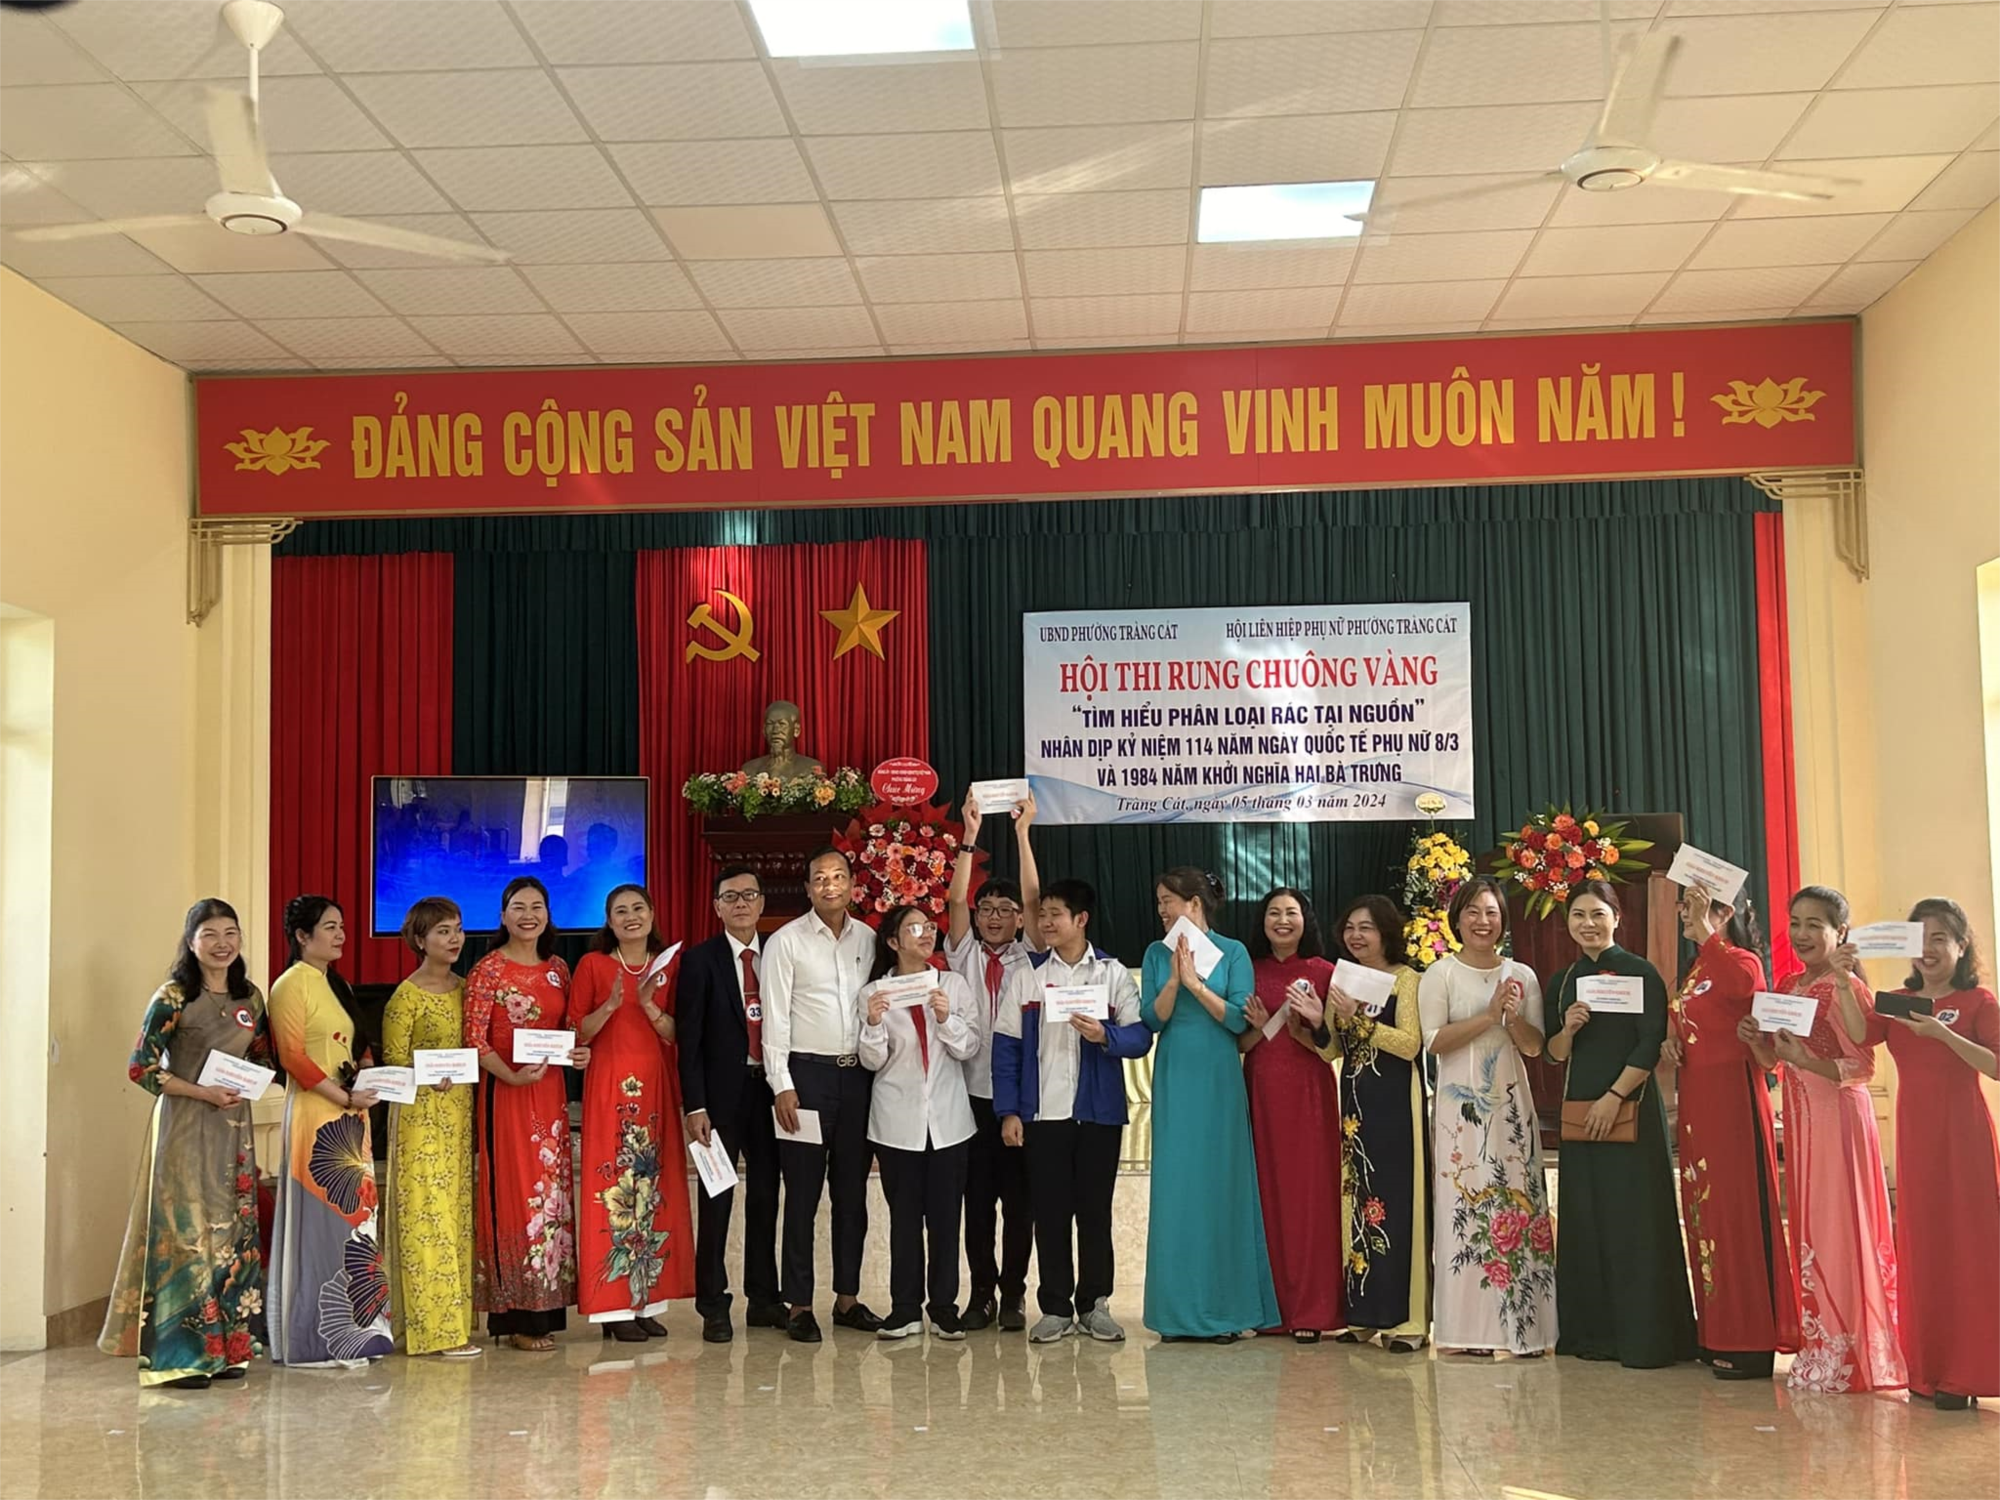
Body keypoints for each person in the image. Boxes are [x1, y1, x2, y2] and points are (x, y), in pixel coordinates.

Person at [1831, 896, 2000, 1410]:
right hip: (1915, 1137)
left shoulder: (1978, 1001)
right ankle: (1928, 1370)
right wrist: (1844, 981)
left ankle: (1967, 1372)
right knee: (1924, 1247)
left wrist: (1944, 1034)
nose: (1928, 950)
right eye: (1919, 939)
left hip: (1964, 1137)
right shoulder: (1899, 1001)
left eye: (1939, 939)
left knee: (1969, 1248)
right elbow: (1861, 1035)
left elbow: (1996, 1066)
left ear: (1961, 946)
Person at [100, 899, 269, 1388]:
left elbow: (262, 1056)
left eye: (230, 933)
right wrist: (203, 1092)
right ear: (191, 942)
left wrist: (248, 1081)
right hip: (183, 1125)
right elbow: (142, 1068)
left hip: (232, 1129)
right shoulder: (173, 996)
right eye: (209, 934)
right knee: (186, 1234)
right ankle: (180, 1356)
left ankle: (230, 1348)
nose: (222, 943)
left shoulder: (250, 998)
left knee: (232, 1232)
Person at [1740, 885, 1902, 1394]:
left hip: (1839, 1120)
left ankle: (1851, 1348)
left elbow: (1861, 1067)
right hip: (1802, 1119)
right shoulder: (1789, 985)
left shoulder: (1848, 988)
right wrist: (1758, 1044)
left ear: (1841, 932)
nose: (1803, 933)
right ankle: (1822, 1342)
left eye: (1816, 924)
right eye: (1796, 922)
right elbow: (1777, 1062)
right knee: (1811, 1224)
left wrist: (1805, 1060)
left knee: (1840, 1224)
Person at [1544, 881, 1695, 1369]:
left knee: (1635, 1220)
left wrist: (1614, 1097)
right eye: (1578, 915)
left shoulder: (1640, 972)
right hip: (1580, 1115)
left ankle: (1646, 1337)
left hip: (1631, 1108)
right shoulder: (1563, 981)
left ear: (1616, 918)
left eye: (1597, 913)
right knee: (1587, 1219)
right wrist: (1568, 1029)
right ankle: (1593, 1334)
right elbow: (1552, 1053)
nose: (1588, 923)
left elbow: (1649, 1043)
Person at [992, 877, 1150, 1343]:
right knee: (1050, 1212)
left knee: (1094, 1213)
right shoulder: (1028, 976)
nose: (1045, 923)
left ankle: (1095, 1304)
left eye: (1054, 914)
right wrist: (1009, 1111)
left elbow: (1139, 1037)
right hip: (1044, 1115)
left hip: (1098, 1114)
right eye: (1041, 915)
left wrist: (1105, 1036)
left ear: (1081, 919)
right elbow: (1006, 1049)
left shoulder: (1112, 974)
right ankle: (1056, 1307)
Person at [1661, 884, 1798, 1381]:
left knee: (1736, 1214)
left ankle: (1750, 1340)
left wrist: (1705, 929)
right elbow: (1693, 1017)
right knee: (1705, 1216)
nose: (1684, 912)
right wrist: (1672, 1042)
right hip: (1698, 1102)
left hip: (1734, 1101)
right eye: (1684, 904)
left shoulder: (1740, 959)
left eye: (1695, 904)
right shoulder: (1697, 967)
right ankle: (1717, 1332)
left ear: (1725, 911)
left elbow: (1742, 989)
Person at [1140, 867, 1280, 1343]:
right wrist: (1174, 982)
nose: (1162, 909)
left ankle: (1225, 1311)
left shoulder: (1233, 952)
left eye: (1168, 900)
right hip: (1176, 1070)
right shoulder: (1156, 953)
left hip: (1219, 1072)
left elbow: (1239, 1019)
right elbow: (1151, 1020)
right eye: (1159, 901)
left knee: (1222, 1186)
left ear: (1195, 903)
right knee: (1178, 1187)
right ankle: (1175, 1314)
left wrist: (1197, 985)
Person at [1419, 877, 1556, 1359]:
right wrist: (1488, 1015)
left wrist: (1512, 1018)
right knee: (1464, 1203)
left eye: (1492, 912)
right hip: (1459, 1109)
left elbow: (1535, 1046)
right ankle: (1465, 1333)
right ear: (1457, 919)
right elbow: (1433, 1041)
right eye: (1473, 912)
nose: (1483, 921)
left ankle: (1525, 1329)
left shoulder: (1522, 975)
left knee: (1517, 1201)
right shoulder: (1440, 974)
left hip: (1510, 1103)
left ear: (1503, 921)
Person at [267, 894, 395, 1366]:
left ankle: (362, 1331)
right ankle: (315, 1338)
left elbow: (358, 1043)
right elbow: (293, 1056)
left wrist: (368, 1073)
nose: (340, 934)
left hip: (351, 1118)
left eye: (341, 925)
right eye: (329, 926)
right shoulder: (290, 985)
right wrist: (342, 1096)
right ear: (302, 936)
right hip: (315, 1117)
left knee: (356, 1225)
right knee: (320, 1222)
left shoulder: (336, 984)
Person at [464, 876, 590, 1352]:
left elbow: (571, 1031)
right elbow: (473, 1039)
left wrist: (579, 1054)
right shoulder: (488, 970)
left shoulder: (559, 968)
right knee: (516, 1195)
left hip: (550, 1097)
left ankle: (546, 1310)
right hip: (507, 1093)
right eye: (518, 907)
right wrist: (511, 1077)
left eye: (537, 906)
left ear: (548, 914)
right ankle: (514, 1315)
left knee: (551, 1198)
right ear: (502, 916)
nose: (528, 915)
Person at [764, 846, 882, 1342]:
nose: (829, 885)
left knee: (852, 1195)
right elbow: (774, 1018)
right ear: (808, 888)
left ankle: (847, 1299)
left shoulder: (870, 939)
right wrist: (782, 1085)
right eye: (819, 878)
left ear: (852, 884)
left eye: (838, 876)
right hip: (805, 1079)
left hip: (857, 1081)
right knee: (803, 1196)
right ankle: (798, 1305)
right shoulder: (786, 942)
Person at [570, 883, 695, 1342]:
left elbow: (680, 1031)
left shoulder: (670, 965)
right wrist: (610, 1004)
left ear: (652, 913)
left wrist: (646, 1004)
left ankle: (646, 1302)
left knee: (654, 1190)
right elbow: (576, 1030)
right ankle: (612, 1307)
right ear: (609, 920)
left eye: (638, 908)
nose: (630, 917)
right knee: (613, 1189)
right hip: (610, 1088)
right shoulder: (593, 965)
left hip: (656, 1088)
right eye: (620, 911)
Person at [943, 790, 1041, 1334]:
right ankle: (980, 1293)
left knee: (1020, 1205)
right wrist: (970, 836)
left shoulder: (1031, 957)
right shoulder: (962, 954)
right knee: (976, 1203)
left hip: (1018, 1100)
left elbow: (1034, 897)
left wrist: (1023, 834)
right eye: (988, 910)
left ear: (1021, 921)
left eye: (1006, 911)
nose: (995, 917)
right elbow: (955, 900)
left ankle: (1014, 1294)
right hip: (969, 1099)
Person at [859, 904, 980, 1340]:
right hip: (897, 1122)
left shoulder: (953, 984)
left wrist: (946, 1018)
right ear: (893, 941)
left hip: (949, 1121)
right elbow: (871, 1061)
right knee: (905, 1220)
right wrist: (874, 1023)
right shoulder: (874, 992)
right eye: (914, 928)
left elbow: (969, 1047)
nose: (926, 934)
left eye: (929, 926)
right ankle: (905, 1309)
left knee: (946, 1219)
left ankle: (944, 1307)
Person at [676, 864, 786, 1343]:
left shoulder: (779, 954)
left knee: (765, 1196)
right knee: (717, 1198)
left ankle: (763, 1299)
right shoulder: (700, 961)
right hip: (719, 1100)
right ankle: (713, 1306)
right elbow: (689, 1041)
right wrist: (694, 1106)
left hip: (770, 1092)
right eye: (730, 897)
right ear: (716, 907)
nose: (741, 904)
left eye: (749, 895)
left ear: (762, 903)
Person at [1317, 894, 1429, 1353]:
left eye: (1366, 927)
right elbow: (1331, 1050)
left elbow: (1409, 1044)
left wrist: (1356, 1020)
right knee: (1358, 1203)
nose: (1356, 936)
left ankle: (1408, 1321)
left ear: (1387, 932)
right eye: (1349, 928)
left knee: (1398, 1204)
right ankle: (1364, 1314)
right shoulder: (1343, 979)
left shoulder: (1408, 980)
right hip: (1354, 1107)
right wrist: (1312, 1023)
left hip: (1395, 1104)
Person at [1239, 887, 1343, 1344]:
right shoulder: (1247, 970)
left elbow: (1335, 1048)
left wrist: (1316, 1022)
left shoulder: (1326, 972)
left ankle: (1312, 1308)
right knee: (1265, 1195)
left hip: (1309, 1095)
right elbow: (1241, 1044)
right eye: (1273, 913)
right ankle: (1267, 1307)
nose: (1282, 920)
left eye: (1291, 913)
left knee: (1310, 1197)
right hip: (1259, 1092)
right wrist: (1258, 1027)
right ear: (1262, 921)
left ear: (1306, 920)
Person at [381, 896, 481, 1359]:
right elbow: (392, 1065)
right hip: (419, 1119)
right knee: (428, 1218)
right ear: (420, 940)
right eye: (443, 931)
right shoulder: (406, 997)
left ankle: (454, 1323)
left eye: (458, 929)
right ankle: (432, 1332)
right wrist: (424, 1073)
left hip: (458, 1118)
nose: (454, 938)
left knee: (455, 1217)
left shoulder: (467, 988)